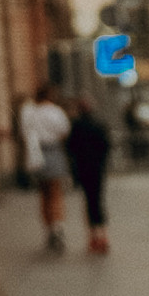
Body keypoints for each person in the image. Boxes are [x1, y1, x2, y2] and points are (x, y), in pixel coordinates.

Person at [19, 85, 71, 251]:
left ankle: (49, 229)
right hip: (53, 151)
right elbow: (64, 131)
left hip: (37, 154)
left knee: (44, 193)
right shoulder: (55, 111)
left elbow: (24, 133)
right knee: (56, 192)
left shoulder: (31, 112)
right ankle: (58, 226)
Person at [66, 99, 112, 254]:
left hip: (83, 169)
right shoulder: (99, 124)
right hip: (97, 169)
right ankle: (104, 236)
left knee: (88, 202)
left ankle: (93, 237)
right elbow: (106, 146)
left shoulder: (76, 126)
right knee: (98, 200)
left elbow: (70, 147)